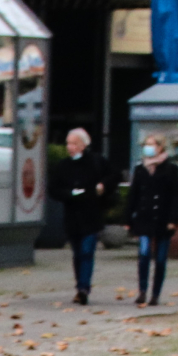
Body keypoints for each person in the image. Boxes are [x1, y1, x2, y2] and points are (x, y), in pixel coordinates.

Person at [54, 128, 118, 307]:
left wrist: (102, 186)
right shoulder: (63, 166)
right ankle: (79, 285)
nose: (70, 147)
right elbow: (54, 189)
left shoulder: (96, 162)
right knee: (77, 253)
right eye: (68, 143)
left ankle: (84, 288)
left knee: (87, 251)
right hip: (73, 216)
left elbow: (114, 175)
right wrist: (69, 194)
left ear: (83, 145)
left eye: (74, 143)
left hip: (92, 214)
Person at [125, 136, 178, 308]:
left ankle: (155, 293)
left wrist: (173, 219)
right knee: (143, 253)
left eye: (151, 145)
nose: (148, 148)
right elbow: (133, 194)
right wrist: (128, 218)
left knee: (160, 259)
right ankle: (142, 290)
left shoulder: (171, 169)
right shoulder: (140, 169)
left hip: (163, 219)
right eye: (146, 145)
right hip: (144, 218)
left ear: (160, 147)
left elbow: (176, 196)